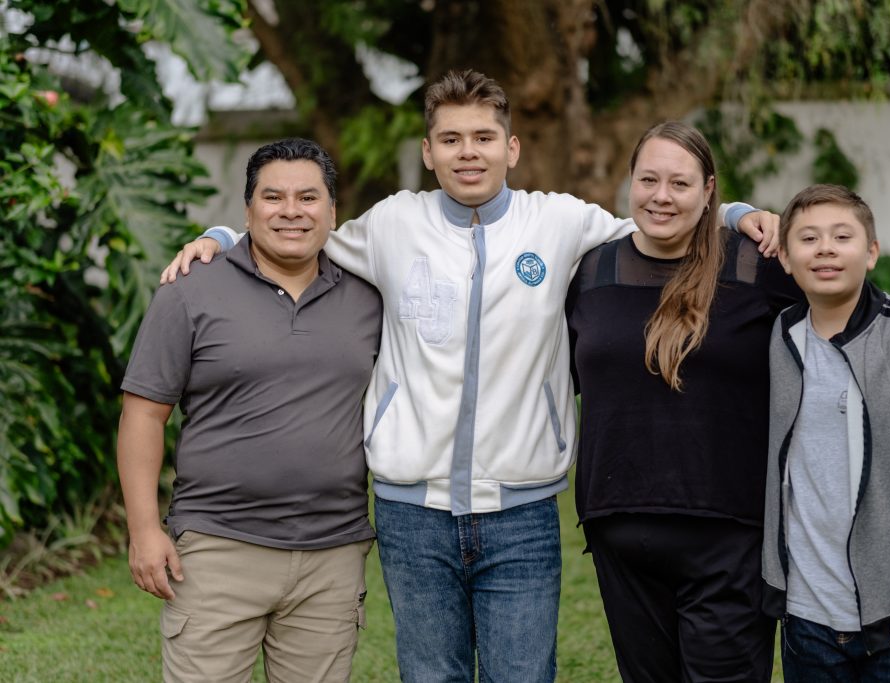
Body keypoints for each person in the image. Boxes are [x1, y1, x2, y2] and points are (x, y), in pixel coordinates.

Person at [159, 70, 778, 682]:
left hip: (523, 511)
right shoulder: (393, 224)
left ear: (512, 148)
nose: (468, 152)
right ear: (428, 152)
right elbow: (302, 233)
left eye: (484, 137)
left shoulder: (559, 223)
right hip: (411, 512)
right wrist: (219, 237)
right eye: (450, 139)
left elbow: (658, 219)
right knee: (431, 675)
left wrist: (735, 213)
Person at [117, 138, 382, 682]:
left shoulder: (369, 293)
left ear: (333, 211)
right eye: (273, 197)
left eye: (308, 197)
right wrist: (143, 530)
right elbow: (143, 414)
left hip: (332, 554)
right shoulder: (190, 290)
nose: (291, 211)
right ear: (247, 211)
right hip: (217, 549)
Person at [566, 121, 801, 682]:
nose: (662, 196)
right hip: (620, 530)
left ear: (709, 189)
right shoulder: (592, 271)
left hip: (729, 532)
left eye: (680, 183)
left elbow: (835, 323)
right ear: (630, 183)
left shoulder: (756, 265)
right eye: (648, 180)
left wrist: (741, 216)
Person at [762, 184, 890, 682]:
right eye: (808, 238)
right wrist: (737, 215)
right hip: (807, 618)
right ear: (785, 258)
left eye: (842, 236)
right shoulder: (782, 334)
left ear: (871, 252)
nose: (826, 249)